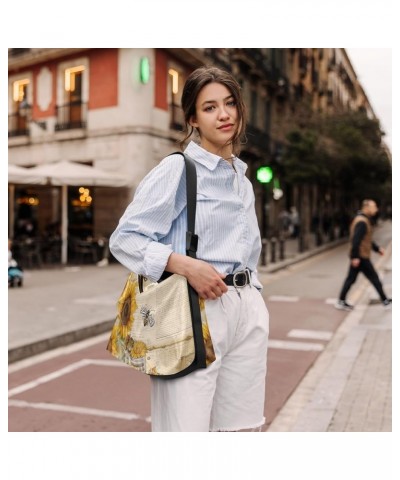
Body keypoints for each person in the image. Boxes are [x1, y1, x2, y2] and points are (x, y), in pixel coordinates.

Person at [109, 66, 269, 432]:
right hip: (194, 311)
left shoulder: (241, 179)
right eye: (210, 107)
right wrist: (184, 265)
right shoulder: (179, 169)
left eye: (230, 103)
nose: (224, 114)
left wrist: (254, 299)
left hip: (246, 307)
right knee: (184, 432)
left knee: (242, 429)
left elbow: (250, 249)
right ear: (193, 119)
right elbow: (125, 238)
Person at [335, 199, 391, 311]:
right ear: (367, 207)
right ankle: (385, 300)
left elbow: (366, 240)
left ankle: (341, 301)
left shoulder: (363, 219)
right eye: (374, 206)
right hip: (361, 257)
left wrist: (377, 249)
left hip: (360, 256)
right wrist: (355, 257)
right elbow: (356, 240)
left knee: (351, 279)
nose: (376, 209)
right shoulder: (362, 221)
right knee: (374, 278)